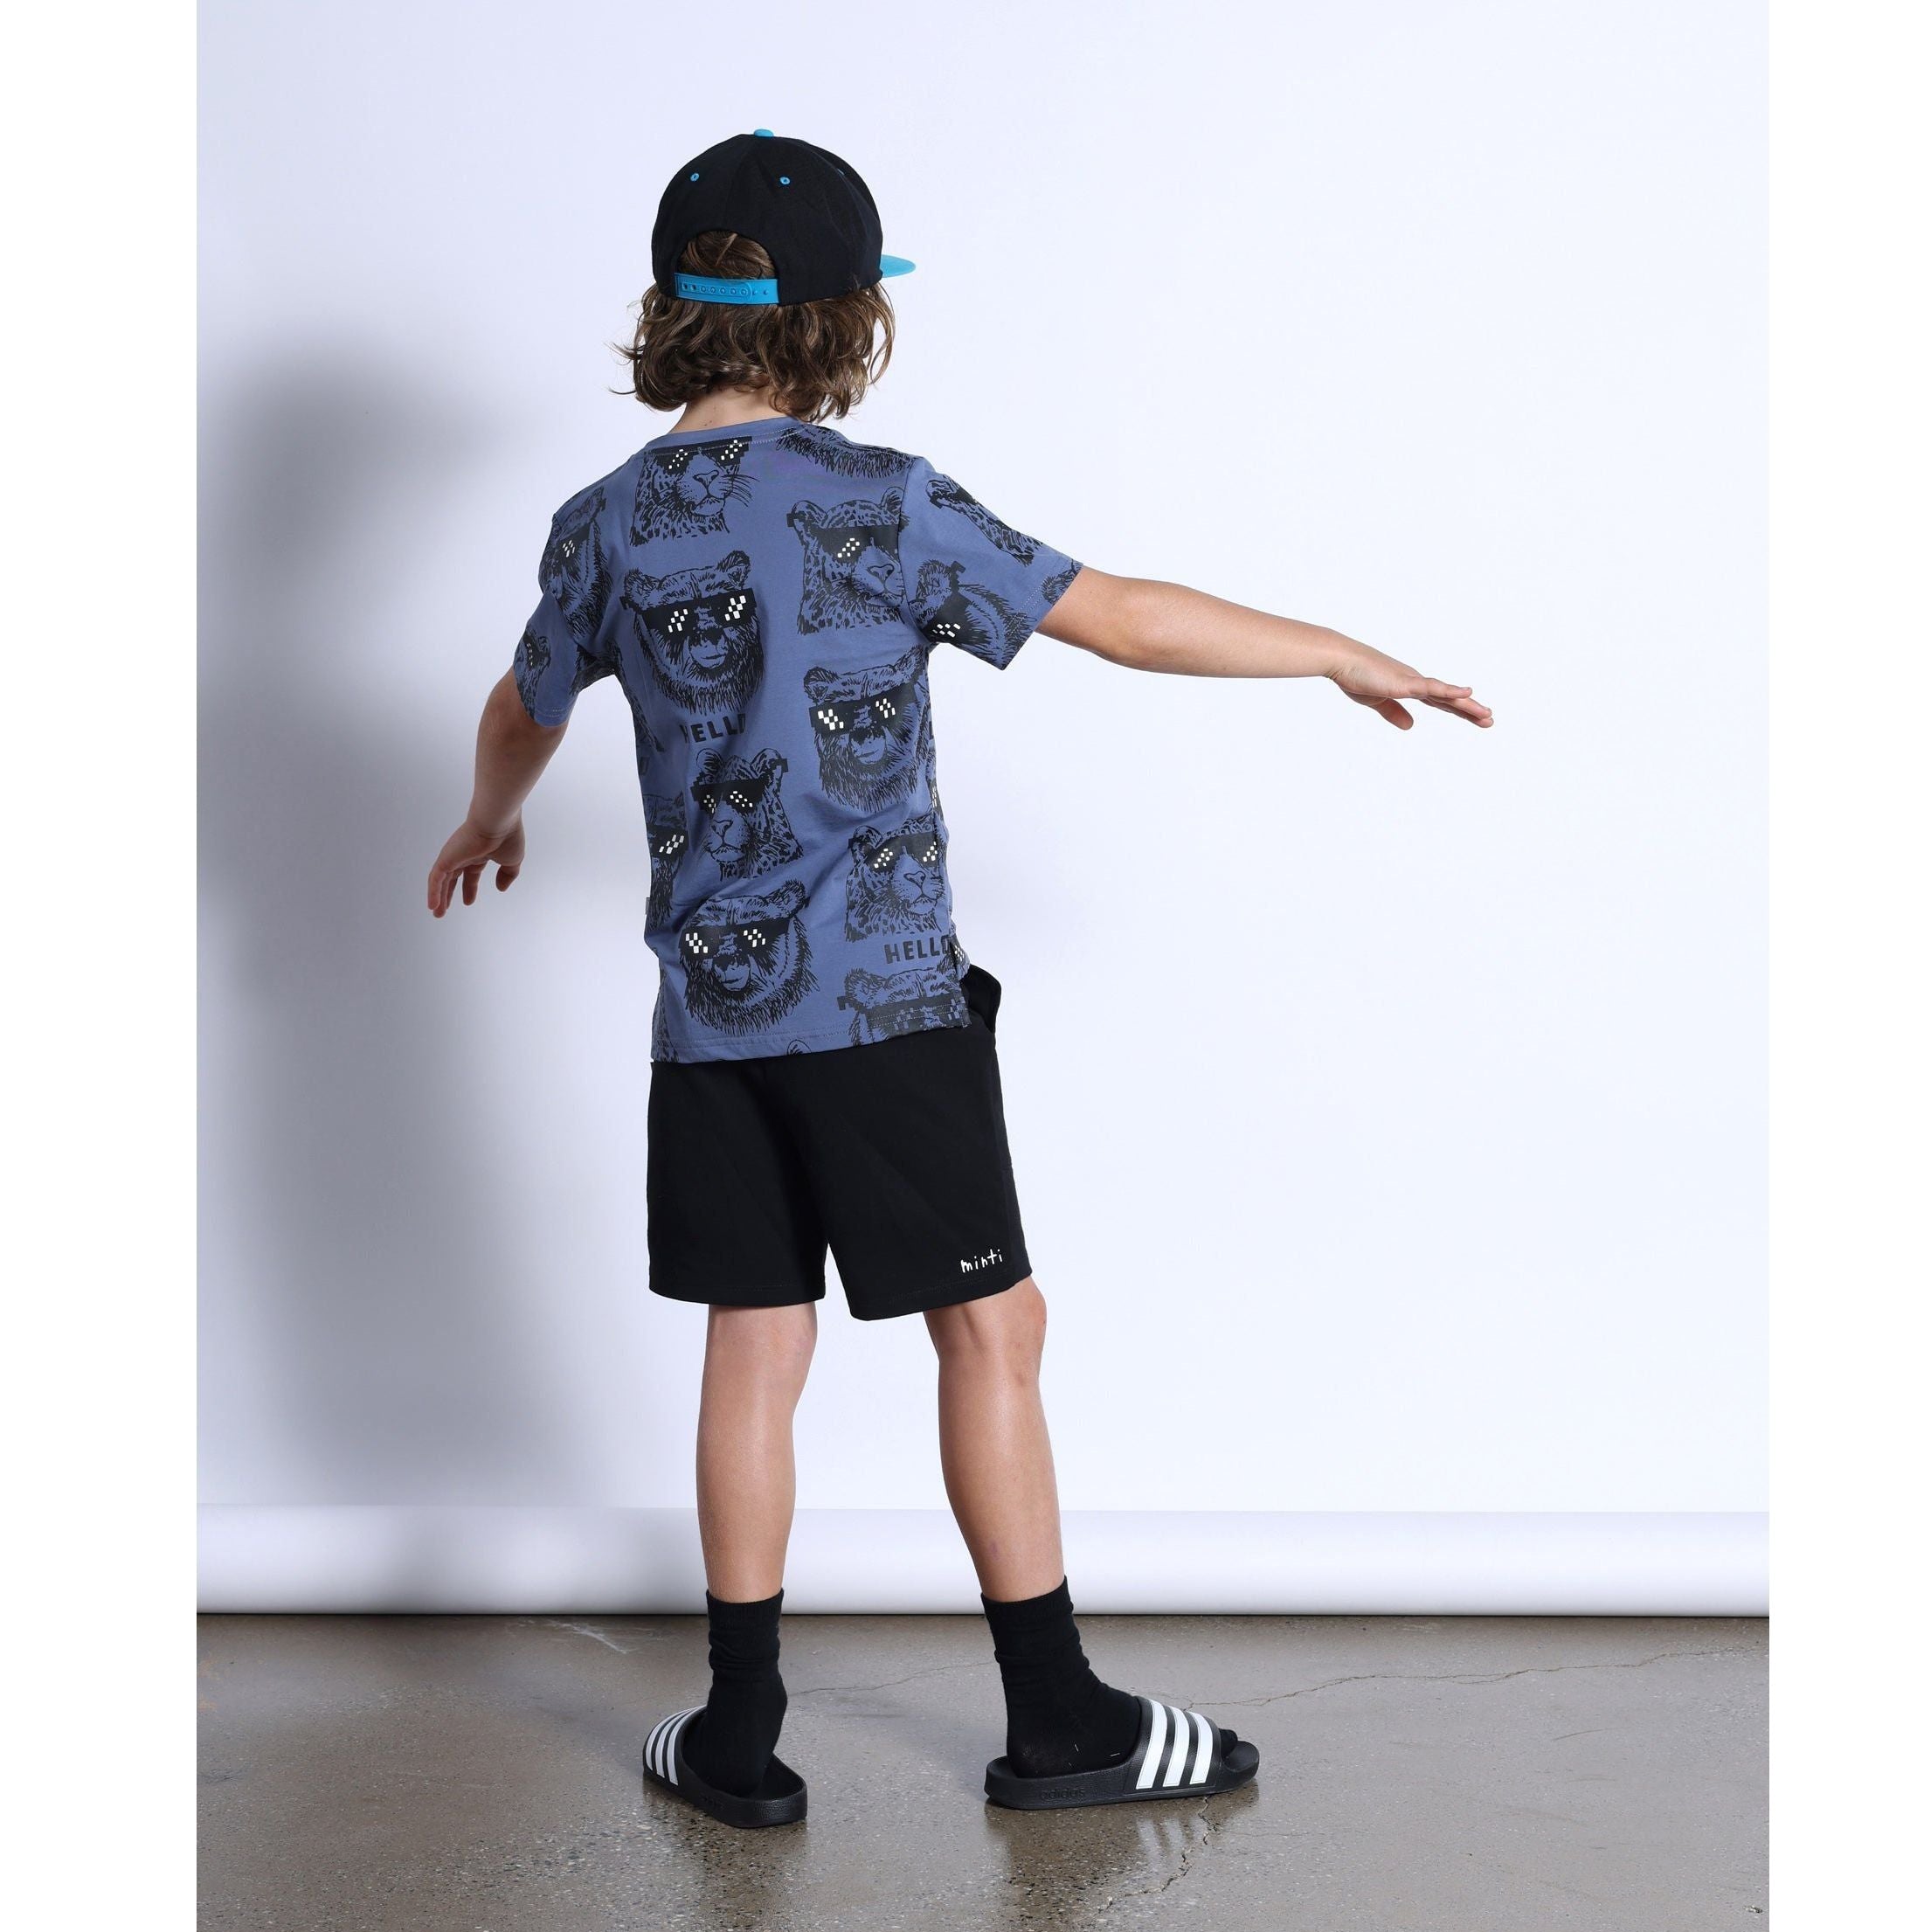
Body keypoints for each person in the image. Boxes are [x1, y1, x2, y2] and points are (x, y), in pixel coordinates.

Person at [427, 130, 1491, 1830]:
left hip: (712, 1020)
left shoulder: (602, 524)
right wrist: (1334, 652)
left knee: (753, 1341)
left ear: (672, 310)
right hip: (881, 1005)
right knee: (992, 1326)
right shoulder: (885, 501)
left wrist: (491, 819)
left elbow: (519, 706)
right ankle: (1058, 1721)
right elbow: (1120, 616)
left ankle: (739, 1734)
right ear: (846, 319)